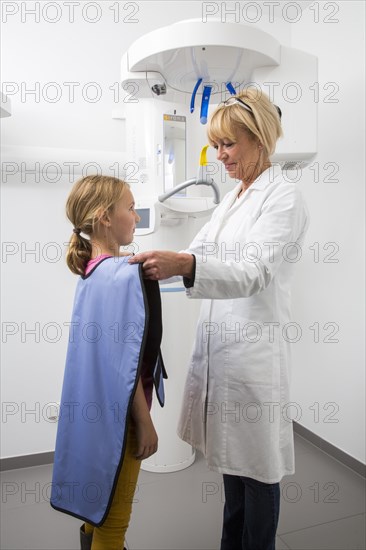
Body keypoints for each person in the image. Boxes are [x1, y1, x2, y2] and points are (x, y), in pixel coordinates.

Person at [129, 89, 309, 550]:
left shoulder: (283, 198)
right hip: (224, 353)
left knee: (260, 471)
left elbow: (253, 272)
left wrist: (184, 266)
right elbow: (198, 250)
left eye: (229, 144)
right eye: (217, 145)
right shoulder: (233, 199)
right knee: (233, 469)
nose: (220, 156)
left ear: (259, 138)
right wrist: (147, 259)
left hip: (253, 357)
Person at [50, 175, 166, 550]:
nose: (136, 216)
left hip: (95, 414)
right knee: (114, 525)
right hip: (124, 419)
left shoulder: (91, 273)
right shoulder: (122, 275)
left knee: (94, 508)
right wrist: (144, 422)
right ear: (104, 217)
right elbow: (124, 365)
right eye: (130, 208)